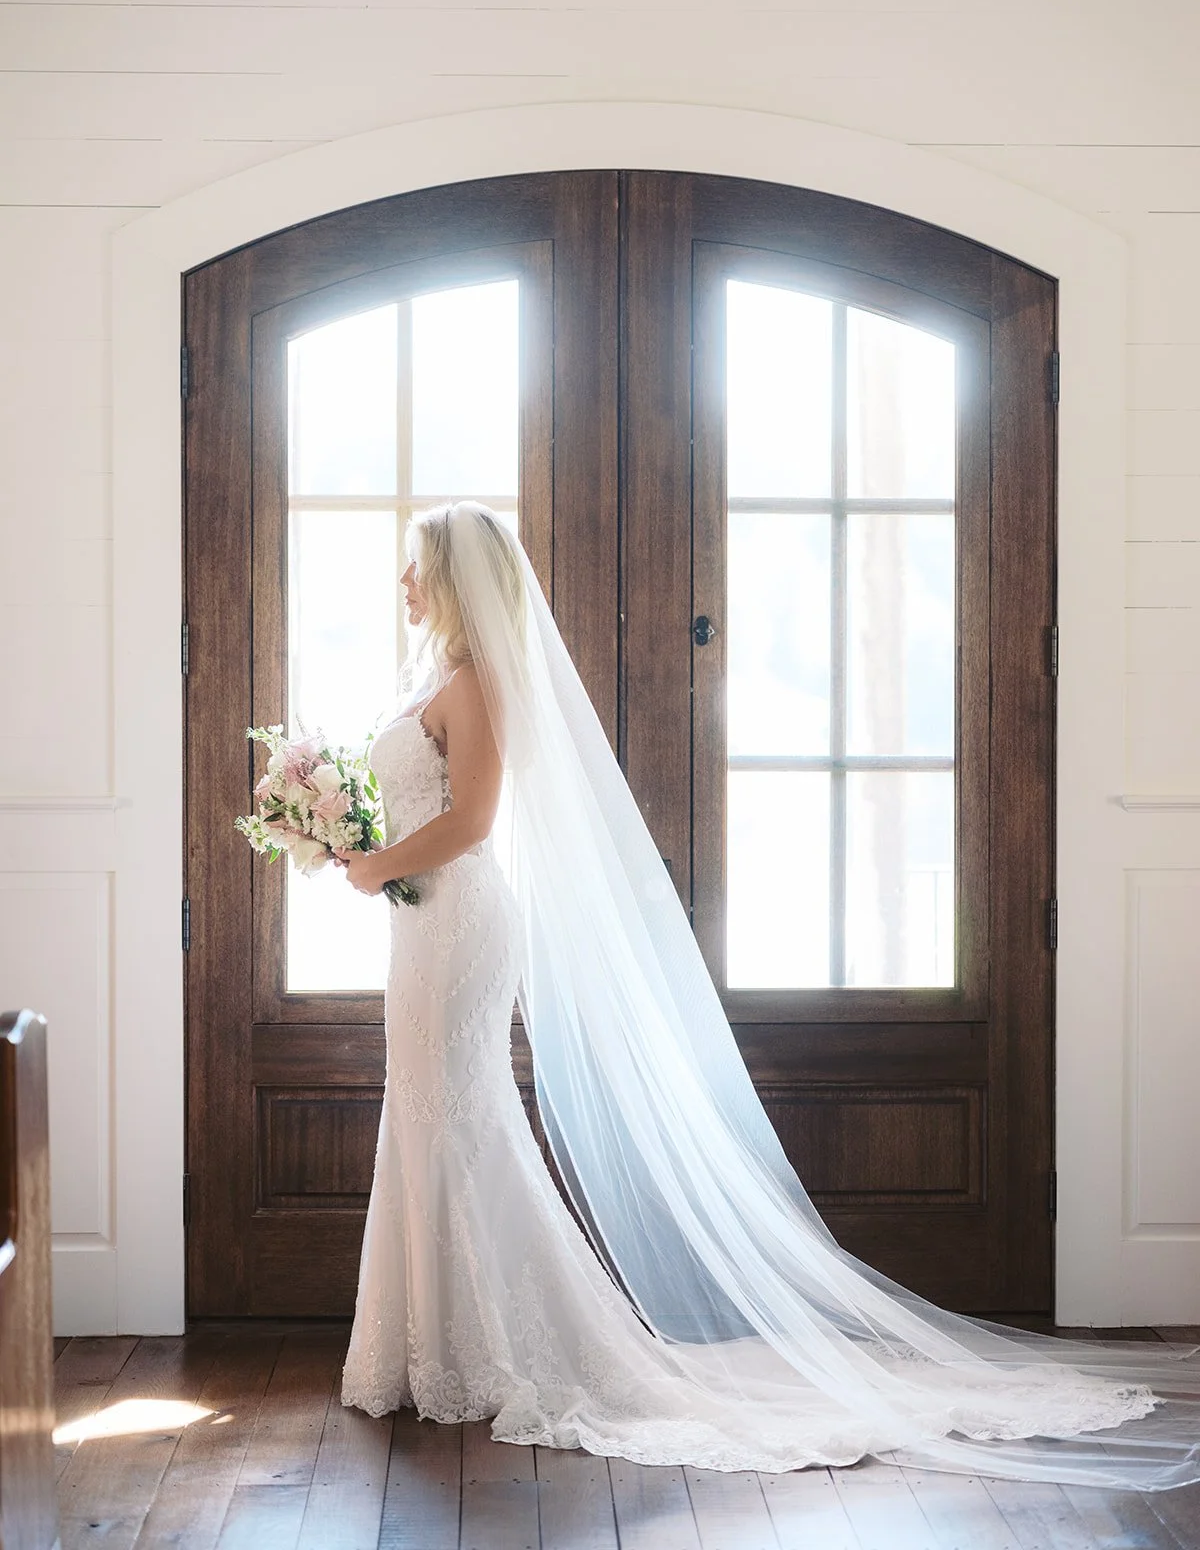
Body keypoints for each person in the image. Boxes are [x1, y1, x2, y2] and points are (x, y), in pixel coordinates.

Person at [334, 499, 1200, 1487]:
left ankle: (482, 1347)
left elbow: (476, 820)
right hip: (418, 923)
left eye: (416, 568)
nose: (403, 583)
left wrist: (375, 865)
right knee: (425, 1114)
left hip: (456, 923)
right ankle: (425, 1344)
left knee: (463, 1119)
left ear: (454, 579)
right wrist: (358, 846)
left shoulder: (477, 680)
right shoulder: (432, 677)